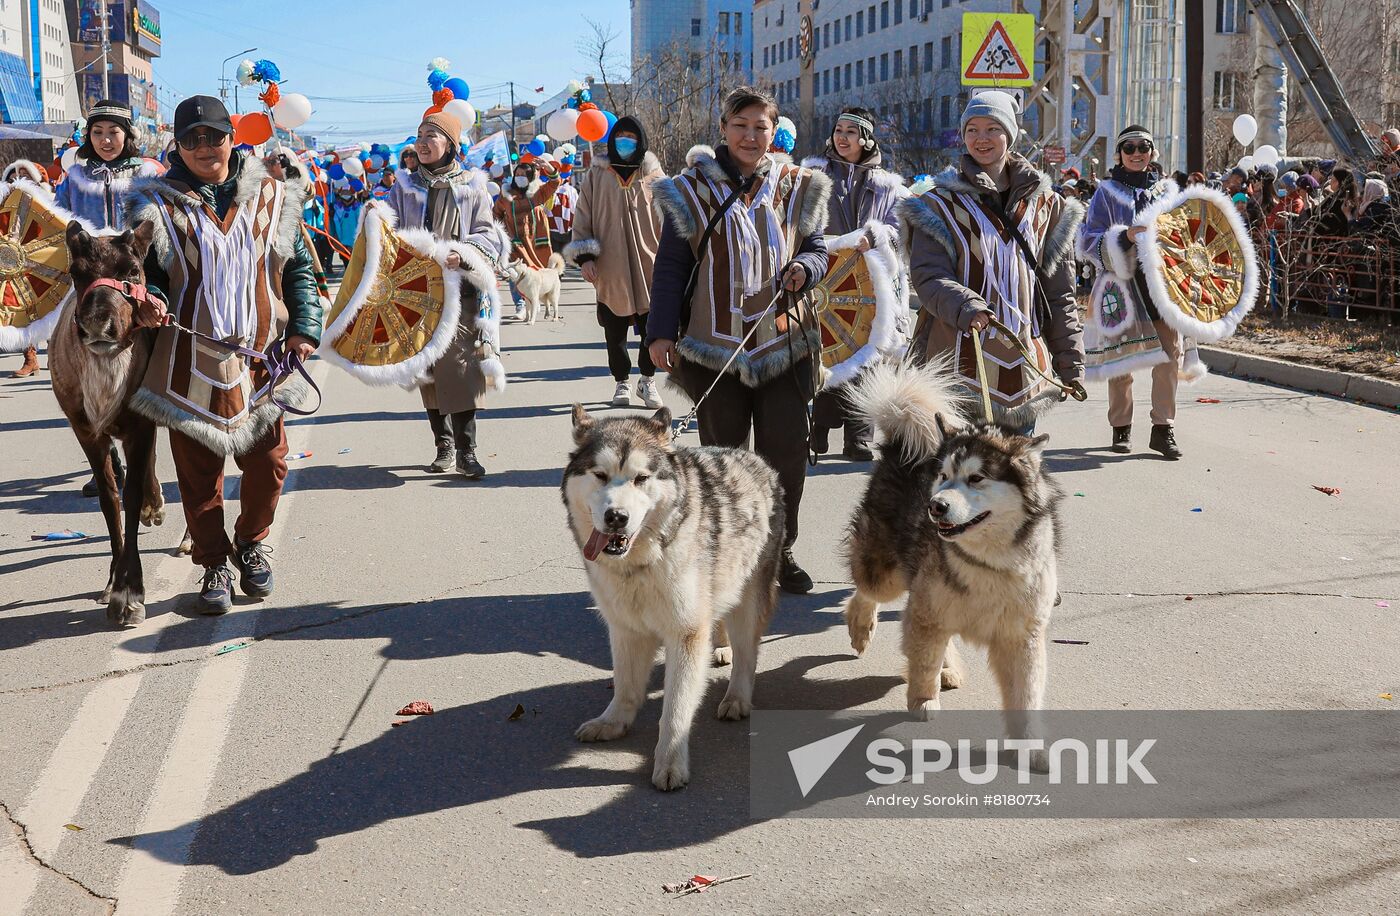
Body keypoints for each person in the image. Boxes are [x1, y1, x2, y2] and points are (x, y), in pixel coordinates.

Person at [124, 95, 321, 614]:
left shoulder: (275, 197)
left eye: (214, 136)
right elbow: (151, 279)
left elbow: (298, 268)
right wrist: (151, 304)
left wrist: (303, 328)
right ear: (178, 145)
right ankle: (213, 563)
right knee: (198, 472)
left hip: (259, 356)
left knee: (270, 462)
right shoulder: (156, 204)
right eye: (192, 139)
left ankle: (252, 544)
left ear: (233, 138)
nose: (204, 147)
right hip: (187, 357)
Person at [646, 86, 831, 594]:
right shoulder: (690, 190)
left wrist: (806, 267)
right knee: (724, 458)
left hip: (784, 342)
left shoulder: (799, 186)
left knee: (785, 454)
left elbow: (818, 248)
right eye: (741, 125)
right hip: (714, 346)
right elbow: (671, 267)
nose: (751, 136)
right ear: (723, 128)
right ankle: (726, 552)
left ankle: (779, 551)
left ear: (774, 132)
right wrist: (660, 332)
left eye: (761, 127)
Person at [901, 90, 1084, 433]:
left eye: (992, 128)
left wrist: (1071, 363)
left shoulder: (1047, 207)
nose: (981, 139)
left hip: (1025, 368)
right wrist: (966, 305)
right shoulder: (938, 205)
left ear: (1010, 135)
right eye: (972, 129)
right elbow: (928, 276)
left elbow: (1059, 294)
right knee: (959, 477)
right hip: (956, 365)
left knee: (1013, 481)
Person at [383, 110, 506, 479]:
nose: (421, 142)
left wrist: (463, 253)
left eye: (431, 136)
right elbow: (387, 229)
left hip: (460, 289)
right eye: (419, 134)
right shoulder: (403, 185)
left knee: (461, 367)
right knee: (430, 369)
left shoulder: (471, 185)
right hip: (417, 292)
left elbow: (488, 233)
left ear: (450, 144)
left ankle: (468, 450)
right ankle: (444, 444)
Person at [50, 100, 162, 490]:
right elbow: (59, 218)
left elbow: (161, 220)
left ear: (127, 136)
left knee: (164, 336)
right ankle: (104, 449)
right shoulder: (75, 176)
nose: (105, 140)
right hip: (92, 275)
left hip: (132, 272)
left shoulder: (149, 172)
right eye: (97, 132)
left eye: (113, 132)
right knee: (65, 344)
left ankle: (155, 424)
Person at [1079, 125, 1200, 459]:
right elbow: (1088, 240)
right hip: (1121, 287)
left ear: (1152, 152)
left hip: (1161, 287)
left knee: (1169, 357)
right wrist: (1125, 237)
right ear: (1119, 154)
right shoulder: (1106, 193)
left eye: (1143, 146)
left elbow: (1186, 236)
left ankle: (1163, 429)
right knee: (1121, 361)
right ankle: (1121, 427)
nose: (1136, 153)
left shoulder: (1168, 192)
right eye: (1128, 148)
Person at [801, 105, 908, 461]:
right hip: (823, 276)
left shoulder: (887, 186)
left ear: (865, 138)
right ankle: (817, 426)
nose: (842, 136)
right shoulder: (812, 174)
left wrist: (874, 236)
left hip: (866, 284)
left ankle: (858, 438)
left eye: (851, 131)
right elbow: (796, 217)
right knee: (825, 348)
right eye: (838, 129)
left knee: (867, 354)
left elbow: (899, 229)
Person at [563, 115, 666, 410]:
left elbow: (669, 220)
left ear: (641, 140)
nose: (625, 141)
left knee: (652, 328)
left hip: (651, 263)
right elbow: (583, 215)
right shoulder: (597, 173)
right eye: (619, 135)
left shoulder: (654, 174)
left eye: (631, 136)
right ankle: (621, 380)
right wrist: (584, 257)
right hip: (610, 263)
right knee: (614, 328)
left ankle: (647, 380)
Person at [2, 160, 56, 379]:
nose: (18, 179)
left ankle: (55, 354)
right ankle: (30, 359)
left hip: (47, 261)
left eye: (24, 175)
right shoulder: (6, 202)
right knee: (25, 311)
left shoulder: (49, 202)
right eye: (13, 176)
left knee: (52, 307)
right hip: (15, 265)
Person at [493, 157, 562, 320]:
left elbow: (555, 183)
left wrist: (549, 169)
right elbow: (495, 215)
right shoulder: (506, 196)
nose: (520, 176)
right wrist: (501, 232)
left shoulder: (538, 193)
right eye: (517, 173)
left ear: (531, 177)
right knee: (514, 273)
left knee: (538, 273)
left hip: (536, 243)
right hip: (515, 243)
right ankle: (521, 306)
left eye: (524, 174)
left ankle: (537, 301)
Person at [548, 168, 578, 255]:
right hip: (566, 229)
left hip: (552, 229)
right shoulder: (571, 190)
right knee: (563, 259)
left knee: (556, 258)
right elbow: (576, 209)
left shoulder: (549, 188)